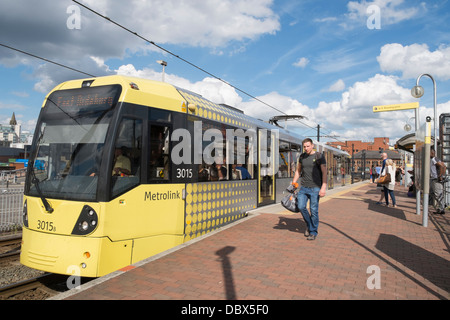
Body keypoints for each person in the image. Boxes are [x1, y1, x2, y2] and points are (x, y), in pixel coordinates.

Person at [291, 138, 327, 240]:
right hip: (304, 188)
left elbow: (324, 172)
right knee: (301, 207)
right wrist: (294, 183)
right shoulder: (302, 157)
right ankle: (310, 225)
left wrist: (323, 187)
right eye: (304, 146)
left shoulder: (319, 156)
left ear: (312, 145)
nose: (306, 148)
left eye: (308, 146)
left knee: (313, 211)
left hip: (315, 188)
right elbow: (298, 171)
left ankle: (313, 232)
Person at [430, 148, 446, 214]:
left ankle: (441, 208)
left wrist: (440, 176)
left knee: (438, 194)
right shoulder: (434, 159)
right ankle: (440, 208)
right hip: (434, 179)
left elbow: (443, 166)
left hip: (436, 179)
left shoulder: (434, 159)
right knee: (434, 193)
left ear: (432, 152)